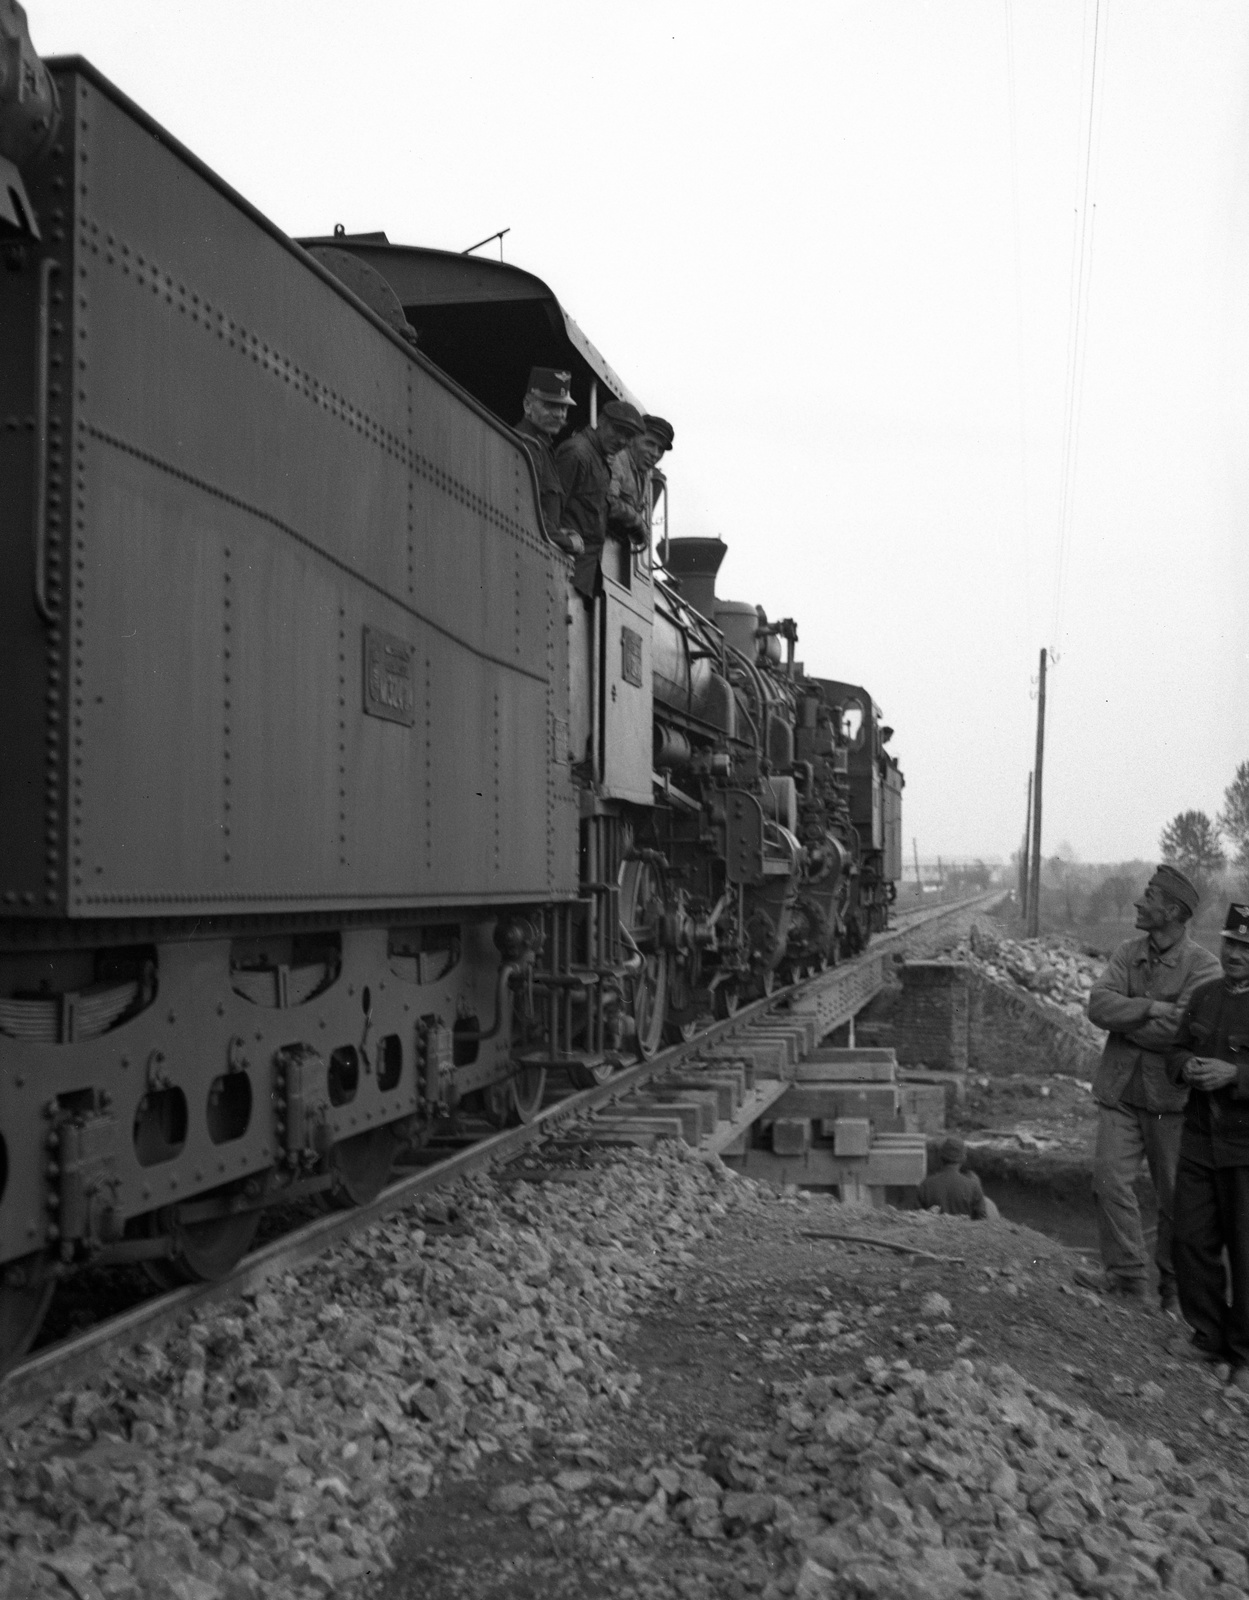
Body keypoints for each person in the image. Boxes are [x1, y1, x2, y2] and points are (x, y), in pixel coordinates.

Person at [1083, 864, 1221, 1310]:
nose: (1140, 903)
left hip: (1171, 1102)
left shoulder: (1205, 966)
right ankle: (1128, 1280)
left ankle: (1174, 1293)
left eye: (1149, 896)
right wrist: (1150, 1008)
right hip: (1121, 1093)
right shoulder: (1127, 952)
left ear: (1173, 910)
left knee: (1175, 1200)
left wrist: (1130, 1022)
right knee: (1108, 1181)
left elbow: (1180, 1033)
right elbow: (1098, 1005)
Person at [1167, 903, 1249, 1385]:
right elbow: (1176, 1050)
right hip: (1199, 1143)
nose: (1235, 954)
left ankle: (1243, 1355)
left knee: (1246, 1252)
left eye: (1245, 947)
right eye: (1231, 943)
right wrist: (1185, 1068)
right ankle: (1207, 1336)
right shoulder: (1203, 996)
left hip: (1244, 1150)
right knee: (1190, 1241)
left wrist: (1236, 1075)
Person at [555, 399, 645, 596]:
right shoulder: (578, 453)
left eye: (629, 436)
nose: (622, 440)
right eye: (618, 430)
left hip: (582, 573)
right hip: (564, 569)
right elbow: (551, 512)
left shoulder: (600, 459)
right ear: (601, 421)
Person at [514, 367, 583, 556]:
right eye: (551, 405)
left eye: (563, 407)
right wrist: (567, 542)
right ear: (528, 405)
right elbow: (527, 510)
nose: (560, 414)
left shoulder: (543, 447)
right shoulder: (527, 445)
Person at [608, 413, 675, 549]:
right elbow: (608, 503)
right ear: (632, 439)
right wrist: (637, 521)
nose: (655, 454)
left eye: (660, 449)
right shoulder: (617, 460)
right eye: (650, 444)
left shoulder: (645, 473)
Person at [917, 1136, 990, 1218]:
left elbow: (916, 1218)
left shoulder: (925, 1186)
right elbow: (982, 1221)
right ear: (963, 1159)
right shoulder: (973, 1187)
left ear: (940, 1157)